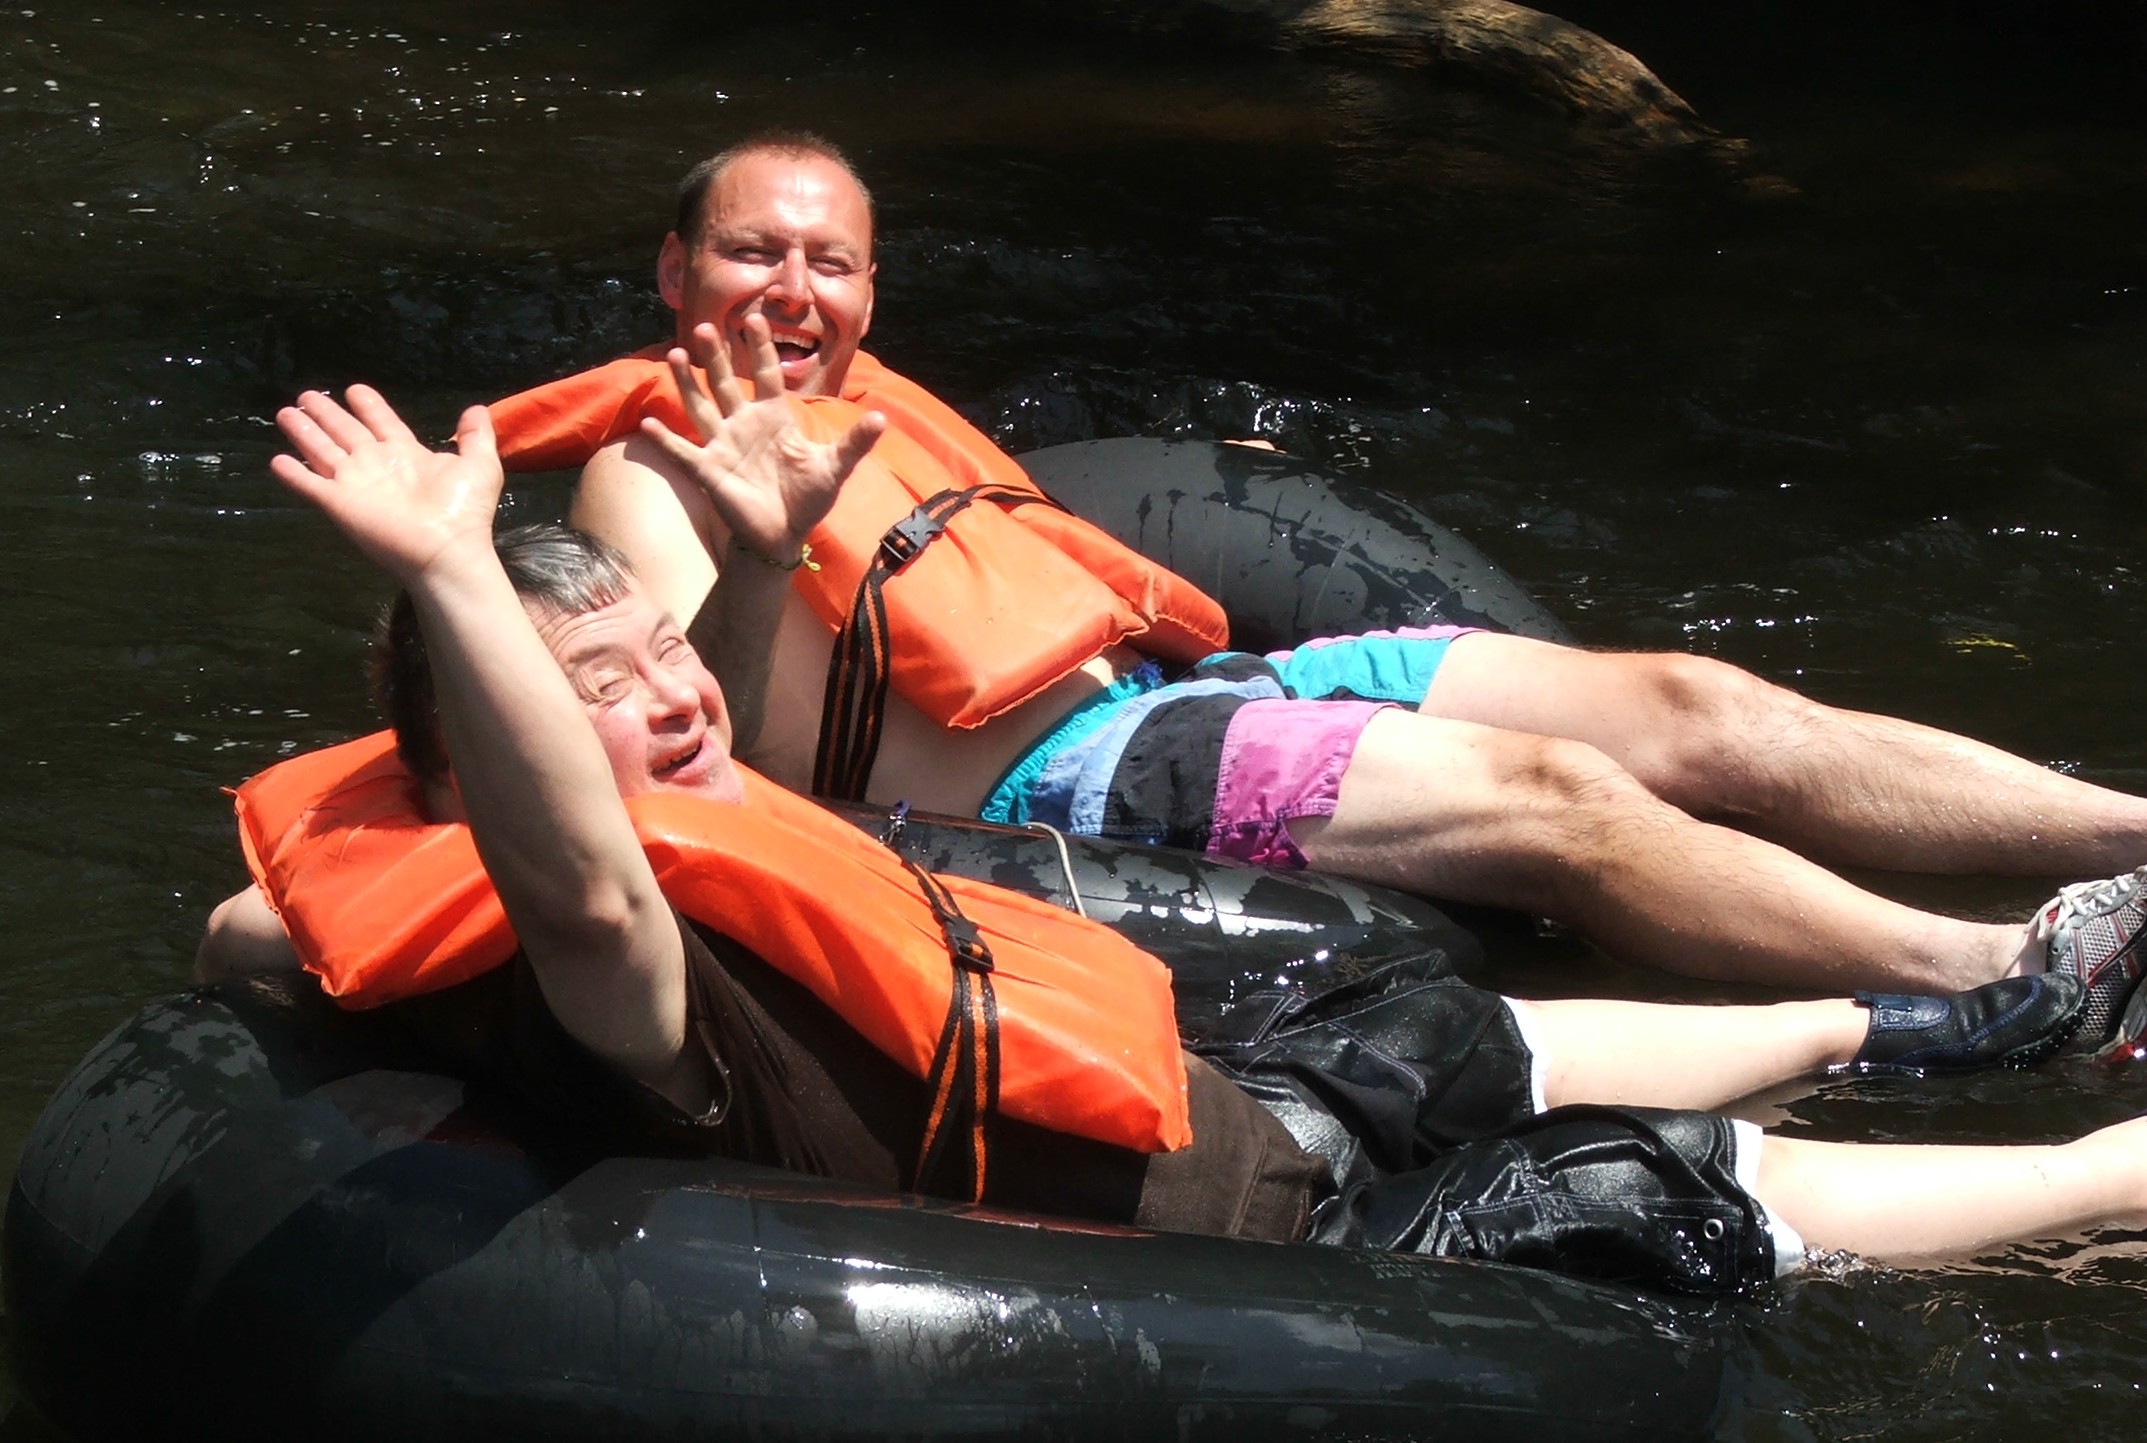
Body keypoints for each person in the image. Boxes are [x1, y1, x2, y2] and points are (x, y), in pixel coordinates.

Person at [219, 357, 2147, 1299]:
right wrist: (457, 580)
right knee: (1688, 1181)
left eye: (666, 656)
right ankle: (2109, 1158)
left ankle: (1973, 1015)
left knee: (1544, 1034)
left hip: (1264, 1090)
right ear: (493, 766)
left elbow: (278, 917)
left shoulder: (715, 824)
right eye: (603, 698)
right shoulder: (630, 987)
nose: (678, 695)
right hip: (1311, 1224)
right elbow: (578, 888)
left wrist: (719, 570)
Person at [539, 130, 2147, 1038]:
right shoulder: (652, 469)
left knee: (1695, 703)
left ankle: (2126, 839)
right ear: (678, 275)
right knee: (1560, 794)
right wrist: (758, 552)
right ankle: (2000, 976)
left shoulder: (877, 417)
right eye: (756, 253)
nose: (797, 291)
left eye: (832, 261)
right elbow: (706, 764)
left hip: (1193, 697)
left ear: (873, 285)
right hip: (1059, 781)